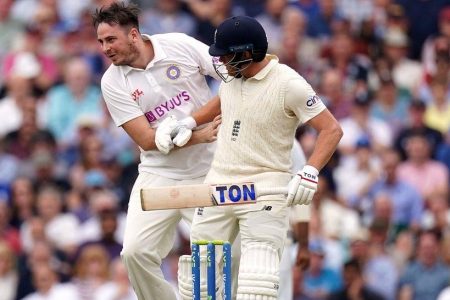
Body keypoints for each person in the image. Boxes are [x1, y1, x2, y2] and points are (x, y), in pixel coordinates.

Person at [175, 15, 343, 299]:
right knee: (199, 281)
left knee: (257, 282)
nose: (222, 65)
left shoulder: (289, 84)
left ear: (248, 53)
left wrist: (311, 171)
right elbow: (221, 102)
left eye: (227, 57)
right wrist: (189, 122)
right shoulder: (234, 78)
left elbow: (331, 129)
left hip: (264, 191)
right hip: (220, 186)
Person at [92, 2, 222, 299]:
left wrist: (190, 124)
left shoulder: (179, 44)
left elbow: (232, 82)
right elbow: (148, 140)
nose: (105, 48)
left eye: (111, 39)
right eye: (100, 42)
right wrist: (196, 135)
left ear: (134, 34)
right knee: (135, 254)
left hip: (208, 170)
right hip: (158, 173)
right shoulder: (112, 81)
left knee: (227, 253)